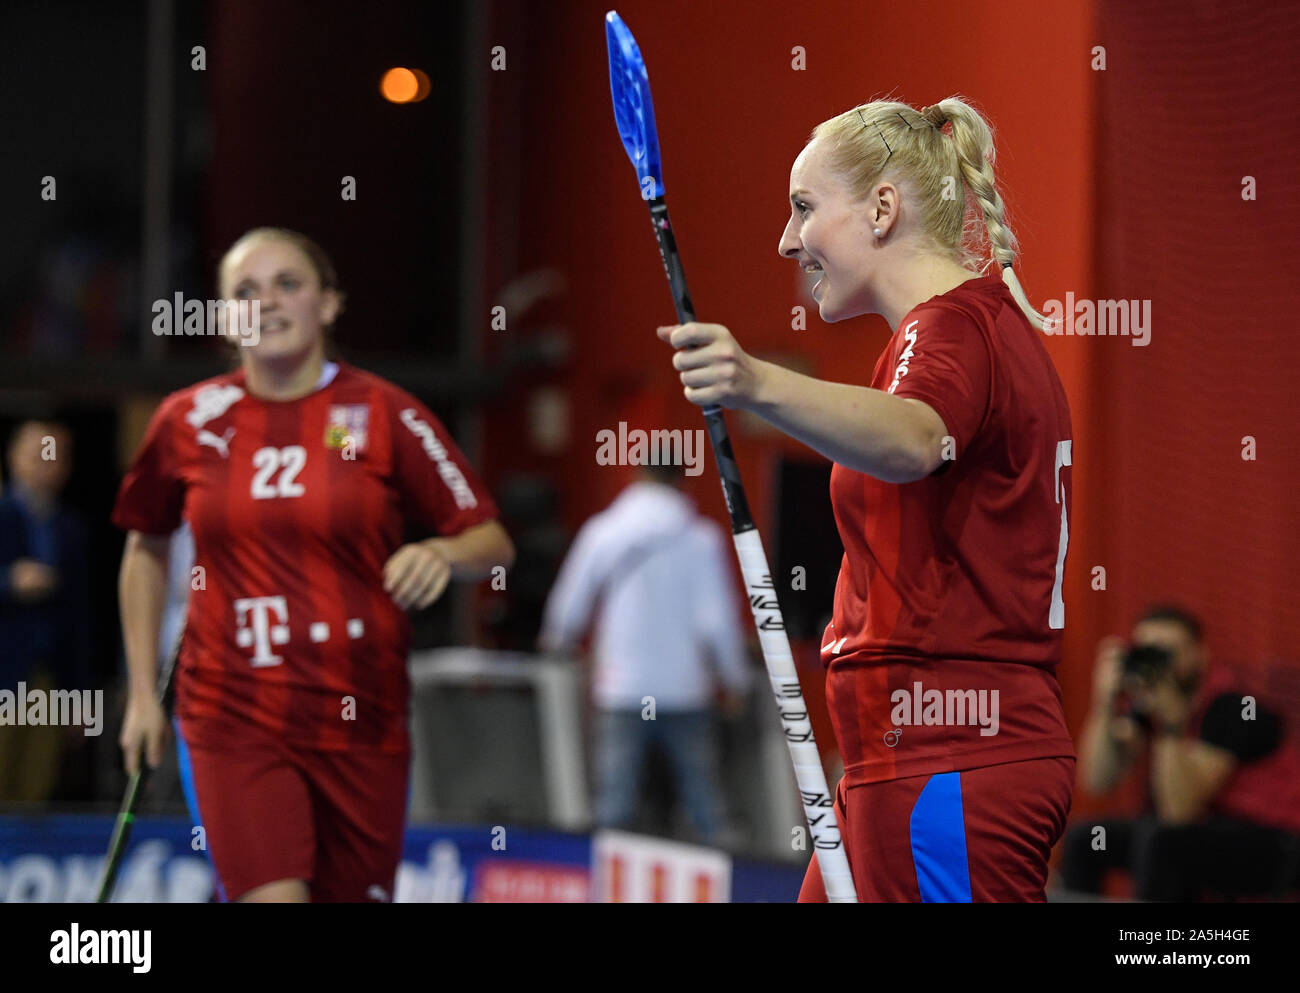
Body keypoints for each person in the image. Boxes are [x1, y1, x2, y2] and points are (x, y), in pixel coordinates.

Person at [657, 98, 1075, 901]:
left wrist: (755, 382)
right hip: (900, 761)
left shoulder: (950, 329)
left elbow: (916, 440)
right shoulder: (956, 332)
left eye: (804, 208)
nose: (787, 240)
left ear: (883, 209)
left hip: (948, 762)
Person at [114, 227, 514, 902]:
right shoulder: (187, 420)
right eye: (245, 290)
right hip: (231, 711)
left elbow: (490, 539)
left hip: (363, 719)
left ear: (328, 305)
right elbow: (144, 547)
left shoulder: (384, 413)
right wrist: (142, 697)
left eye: (288, 284)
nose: (266, 301)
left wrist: (442, 550)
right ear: (221, 317)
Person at [538, 459, 751, 844]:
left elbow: (570, 603)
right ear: (680, 481)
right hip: (686, 690)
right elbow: (717, 620)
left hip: (622, 689)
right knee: (703, 806)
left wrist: (557, 642)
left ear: (638, 475)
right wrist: (735, 680)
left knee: (614, 807)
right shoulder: (701, 539)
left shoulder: (605, 530)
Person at [1058, 605, 1300, 900]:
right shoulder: (1150, 705)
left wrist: (1171, 727)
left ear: (1201, 654)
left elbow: (1179, 811)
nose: (1159, 666)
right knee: (1086, 838)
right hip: (1199, 835)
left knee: (1163, 840)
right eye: (1147, 653)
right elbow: (1097, 780)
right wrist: (1104, 703)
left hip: (1275, 845)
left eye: (1167, 653)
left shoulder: (1233, 709)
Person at [0, 419, 93, 804]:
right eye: (38, 453)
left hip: (48, 676)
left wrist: (81, 701)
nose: (47, 463)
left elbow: (83, 620)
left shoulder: (72, 529)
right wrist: (7, 582)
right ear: (13, 457)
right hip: (4, 671)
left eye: (55, 455)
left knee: (35, 789)